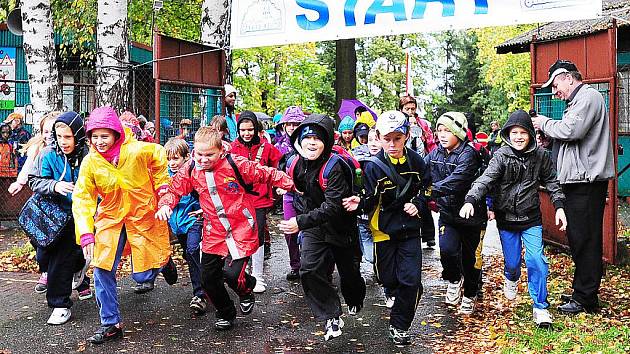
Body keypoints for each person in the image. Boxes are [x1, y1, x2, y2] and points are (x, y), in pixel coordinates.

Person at [156, 127, 294, 331]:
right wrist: (166, 204)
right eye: (199, 154)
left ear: (221, 151)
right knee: (208, 278)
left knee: (232, 274)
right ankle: (226, 312)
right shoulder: (192, 168)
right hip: (214, 231)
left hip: (241, 227)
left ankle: (246, 289)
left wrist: (291, 184)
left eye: (209, 155)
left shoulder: (235, 163)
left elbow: (266, 173)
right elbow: (175, 188)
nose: (203, 160)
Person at [72, 107, 178, 345]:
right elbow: (83, 197)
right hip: (110, 219)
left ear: (116, 134)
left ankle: (163, 262)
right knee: (101, 269)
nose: (99, 142)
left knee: (142, 276)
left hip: (142, 215)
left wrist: (162, 189)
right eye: (94, 136)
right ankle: (110, 324)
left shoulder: (138, 150)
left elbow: (160, 157)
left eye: (104, 136)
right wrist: (86, 232)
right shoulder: (91, 163)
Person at [460, 109, 567, 327]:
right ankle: (511, 277)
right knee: (512, 264)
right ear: (508, 134)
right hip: (507, 219)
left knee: (536, 259)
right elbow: (485, 179)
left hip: (531, 218)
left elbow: (552, 183)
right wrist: (471, 199)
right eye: (514, 132)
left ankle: (540, 306)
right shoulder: (500, 156)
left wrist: (559, 207)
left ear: (530, 134)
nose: (518, 137)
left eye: (523, 132)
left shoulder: (541, 157)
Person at [531, 60, 615, 314]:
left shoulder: (588, 97)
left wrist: (543, 123)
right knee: (579, 239)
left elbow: (571, 131)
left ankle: (586, 298)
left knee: (586, 240)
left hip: (587, 183)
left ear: (568, 77)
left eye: (556, 85)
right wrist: (548, 140)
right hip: (578, 181)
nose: (555, 92)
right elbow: (569, 139)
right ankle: (582, 291)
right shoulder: (576, 102)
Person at [278, 114, 366, 342]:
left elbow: (333, 207)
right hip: (313, 228)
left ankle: (355, 299)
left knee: (350, 277)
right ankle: (332, 316)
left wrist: (299, 222)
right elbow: (295, 191)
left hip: (340, 227)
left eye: (318, 138)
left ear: (326, 142)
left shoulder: (333, 167)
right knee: (308, 270)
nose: (312, 143)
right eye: (307, 137)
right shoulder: (294, 162)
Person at [343, 111, 427, 345]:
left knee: (410, 281)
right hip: (382, 232)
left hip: (410, 231)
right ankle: (394, 291)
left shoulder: (418, 162)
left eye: (397, 138)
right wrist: (359, 202)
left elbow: (427, 189)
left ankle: (400, 325)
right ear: (378, 137)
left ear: (407, 136)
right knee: (388, 279)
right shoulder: (373, 167)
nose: (392, 144)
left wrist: (417, 204)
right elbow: (369, 198)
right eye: (387, 138)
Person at [28, 111, 92, 325]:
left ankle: (60, 304)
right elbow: (35, 181)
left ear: (78, 135)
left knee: (60, 259)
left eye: (68, 137)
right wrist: (54, 186)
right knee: (43, 257)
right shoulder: (47, 154)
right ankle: (79, 267)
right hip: (48, 217)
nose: (63, 142)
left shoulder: (88, 156)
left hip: (76, 216)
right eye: (59, 136)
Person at [425, 112, 486, 315]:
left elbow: (457, 181)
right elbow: (420, 168)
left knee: (470, 259)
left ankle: (470, 294)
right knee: (448, 251)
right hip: (447, 214)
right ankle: (453, 279)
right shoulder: (435, 154)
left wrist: (430, 191)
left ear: (458, 133)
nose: (442, 135)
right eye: (439, 130)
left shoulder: (468, 154)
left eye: (447, 131)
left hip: (471, 216)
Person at [9, 111, 61, 294]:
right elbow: (28, 167)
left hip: (62, 203)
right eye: (45, 131)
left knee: (65, 242)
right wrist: (19, 183)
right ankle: (46, 271)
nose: (49, 136)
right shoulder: (37, 149)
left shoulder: (66, 149)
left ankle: (80, 278)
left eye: (53, 131)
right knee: (37, 238)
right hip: (41, 202)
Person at [230, 111, 283, 293]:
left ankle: (258, 276)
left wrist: (277, 189)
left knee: (259, 234)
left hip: (260, 199)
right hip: (239, 199)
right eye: (243, 130)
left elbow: (276, 167)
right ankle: (242, 275)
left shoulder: (266, 148)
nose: (246, 133)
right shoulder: (232, 148)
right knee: (241, 235)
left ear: (256, 128)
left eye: (250, 129)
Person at [162, 137, 207, 313]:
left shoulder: (193, 173)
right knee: (190, 257)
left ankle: (200, 293)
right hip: (178, 224)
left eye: (176, 158)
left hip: (193, 219)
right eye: (169, 159)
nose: (172, 163)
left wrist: (202, 209)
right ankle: (205, 282)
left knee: (193, 249)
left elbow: (204, 193)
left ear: (186, 157)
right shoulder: (164, 176)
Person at [399, 96, 437, 249]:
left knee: (423, 199)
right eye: (407, 109)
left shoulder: (423, 124)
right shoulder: (397, 123)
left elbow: (430, 144)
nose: (410, 112)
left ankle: (428, 235)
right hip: (402, 163)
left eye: (412, 109)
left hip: (420, 162)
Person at [274, 106, 306, 280]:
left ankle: (313, 265)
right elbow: (275, 170)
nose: (292, 127)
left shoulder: (310, 142)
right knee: (289, 231)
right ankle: (296, 265)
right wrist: (279, 184)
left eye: (296, 123)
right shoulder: (279, 147)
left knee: (310, 228)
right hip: (288, 193)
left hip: (308, 194)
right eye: (289, 124)